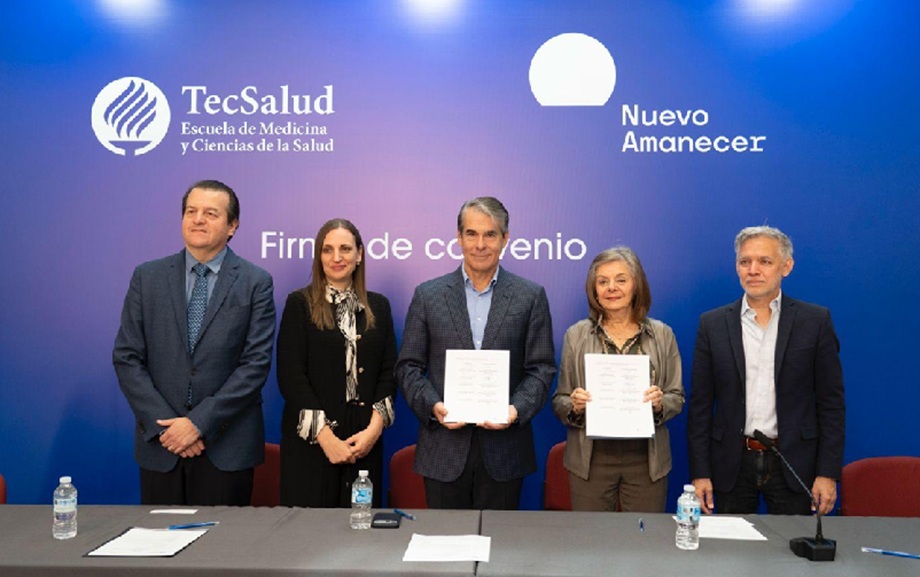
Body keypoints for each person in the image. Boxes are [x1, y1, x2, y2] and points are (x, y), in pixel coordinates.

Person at [113, 179, 276, 506]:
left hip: (226, 446)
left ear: (232, 226)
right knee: (157, 536)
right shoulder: (147, 277)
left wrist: (198, 424)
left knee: (223, 539)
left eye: (210, 213)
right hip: (162, 444)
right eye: (191, 211)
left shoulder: (255, 282)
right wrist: (168, 429)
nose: (198, 219)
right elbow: (127, 358)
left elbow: (255, 365)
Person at [396, 197, 557, 510]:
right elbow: (408, 367)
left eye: (490, 234)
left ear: (505, 239)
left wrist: (515, 410)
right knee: (444, 539)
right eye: (471, 234)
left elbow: (542, 368)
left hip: (505, 451)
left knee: (498, 540)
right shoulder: (428, 295)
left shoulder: (530, 296)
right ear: (459, 238)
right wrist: (433, 406)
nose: (480, 244)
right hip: (443, 450)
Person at [687, 226, 845, 515]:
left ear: (786, 266)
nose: (753, 270)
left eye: (765, 261)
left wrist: (827, 472)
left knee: (793, 543)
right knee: (731, 544)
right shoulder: (713, 324)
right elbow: (700, 407)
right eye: (745, 262)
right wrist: (700, 473)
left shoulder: (814, 321)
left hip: (794, 462)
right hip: (731, 464)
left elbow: (831, 404)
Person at [552, 247, 683, 512]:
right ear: (594, 289)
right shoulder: (576, 335)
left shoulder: (662, 334)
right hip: (591, 458)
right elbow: (559, 400)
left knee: (643, 534)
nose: (611, 288)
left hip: (646, 458)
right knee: (592, 535)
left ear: (636, 285)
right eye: (603, 281)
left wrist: (660, 403)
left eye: (621, 280)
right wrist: (574, 405)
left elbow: (677, 397)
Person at [276, 219, 396, 507]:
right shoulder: (299, 303)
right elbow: (291, 375)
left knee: (358, 527)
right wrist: (326, 438)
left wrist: (373, 431)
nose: (337, 257)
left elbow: (389, 373)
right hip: (312, 442)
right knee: (308, 529)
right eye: (327, 250)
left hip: (363, 441)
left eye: (345, 249)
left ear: (359, 254)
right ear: (319, 257)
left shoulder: (379, 306)